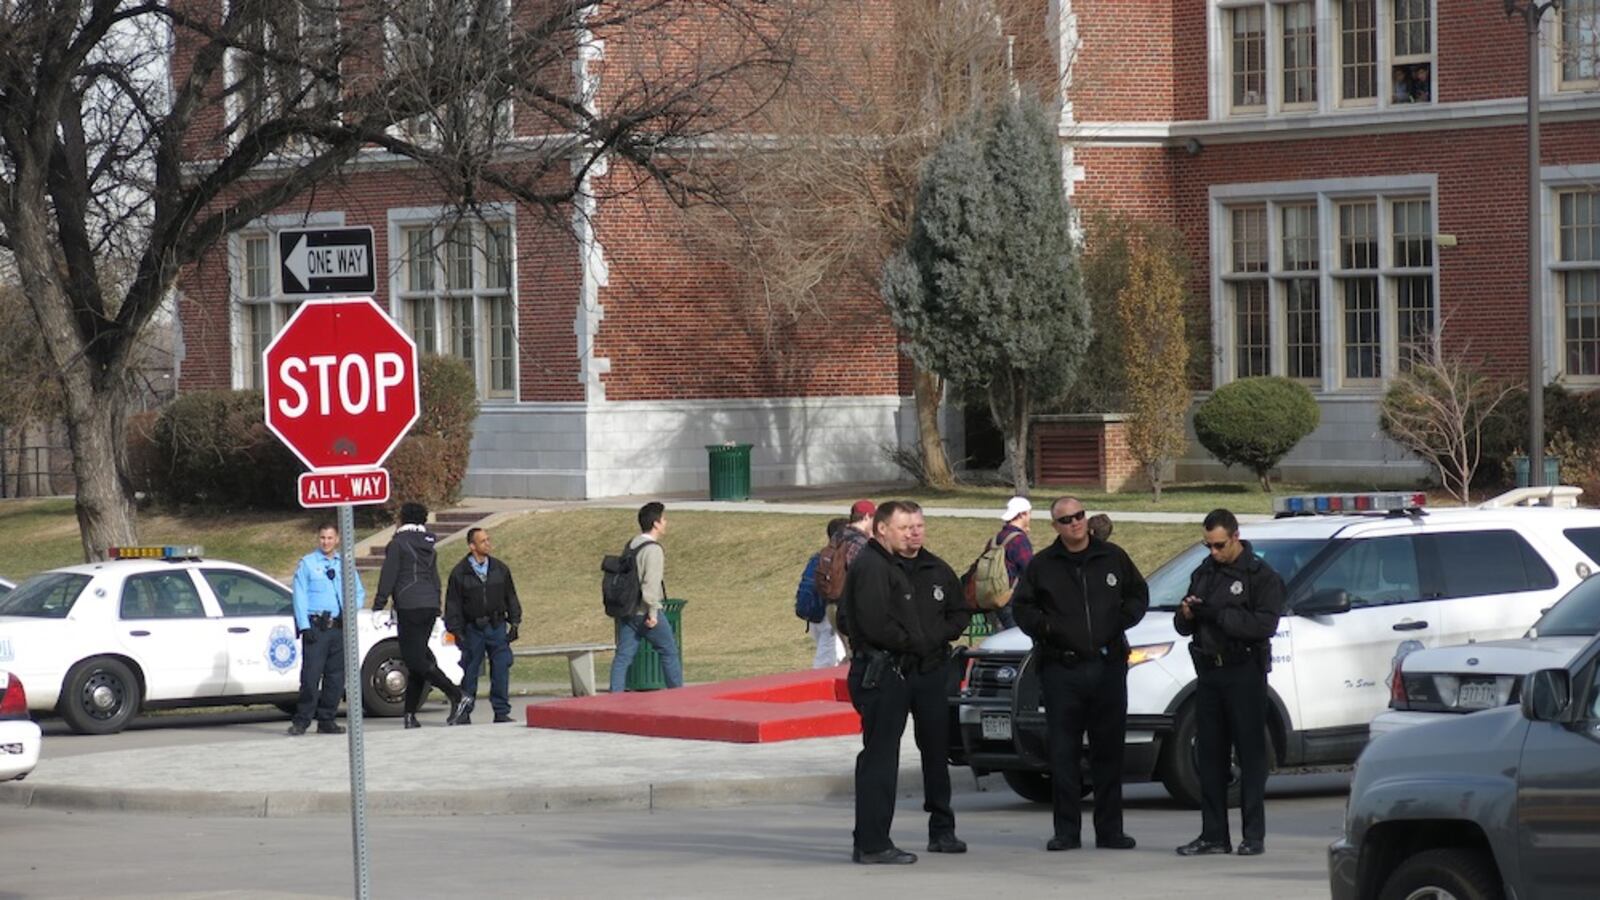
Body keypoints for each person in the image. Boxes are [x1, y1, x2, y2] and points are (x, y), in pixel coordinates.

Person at [1010, 496, 1149, 852]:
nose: (1074, 523)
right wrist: (1047, 628)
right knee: (1064, 753)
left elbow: (1138, 594)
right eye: (1066, 519)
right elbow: (1023, 607)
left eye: (1079, 516)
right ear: (1055, 526)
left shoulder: (1112, 556)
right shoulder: (1043, 565)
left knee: (1108, 752)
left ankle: (1110, 830)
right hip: (1062, 669)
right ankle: (1067, 831)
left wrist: (1119, 621)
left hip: (1107, 667)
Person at [844, 500, 972, 865]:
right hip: (885, 672)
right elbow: (873, 624)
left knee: (936, 750)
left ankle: (942, 831)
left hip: (929, 671)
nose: (914, 532)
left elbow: (959, 610)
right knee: (881, 756)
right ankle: (871, 843)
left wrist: (939, 637)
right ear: (882, 529)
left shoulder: (934, 566)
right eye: (905, 527)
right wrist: (919, 641)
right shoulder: (871, 567)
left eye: (919, 525)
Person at [1173, 508, 1285, 858]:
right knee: (1209, 755)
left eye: (1219, 545)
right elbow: (1182, 625)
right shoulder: (1204, 572)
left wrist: (1218, 615)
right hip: (1209, 672)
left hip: (1244, 671)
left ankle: (1253, 835)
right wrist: (1188, 613)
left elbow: (1263, 624)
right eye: (1208, 545)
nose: (1214, 553)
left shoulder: (1260, 576)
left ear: (1235, 536)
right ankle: (1213, 835)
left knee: (1250, 755)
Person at [373, 503, 470, 729]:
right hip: (428, 605)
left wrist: (379, 604)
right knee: (418, 659)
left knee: (414, 659)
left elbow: (389, 575)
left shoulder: (397, 544)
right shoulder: (429, 546)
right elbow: (435, 578)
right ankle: (409, 715)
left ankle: (457, 695)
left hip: (409, 605)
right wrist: (437, 605)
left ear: (402, 518)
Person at [288, 521, 365, 736]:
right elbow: (300, 595)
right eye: (323, 537)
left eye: (330, 538)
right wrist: (304, 625)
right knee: (311, 677)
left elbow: (358, 592)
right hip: (317, 627)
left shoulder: (345, 564)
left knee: (336, 677)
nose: (326, 542)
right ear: (318, 538)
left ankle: (327, 719)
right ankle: (302, 720)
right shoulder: (308, 564)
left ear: (337, 539)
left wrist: (350, 611)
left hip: (339, 627)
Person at [443, 526, 522, 724]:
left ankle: (501, 711)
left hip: (496, 626)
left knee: (501, 667)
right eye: (483, 541)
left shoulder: (499, 568)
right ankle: (465, 711)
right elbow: (453, 605)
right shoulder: (460, 573)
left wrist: (515, 622)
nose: (488, 544)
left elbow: (510, 596)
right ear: (472, 546)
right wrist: (457, 632)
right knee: (470, 671)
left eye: (488, 539)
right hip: (473, 629)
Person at [607, 501, 684, 693]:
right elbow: (650, 584)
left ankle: (613, 696)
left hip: (628, 610)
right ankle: (679, 694)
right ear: (656, 523)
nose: (666, 522)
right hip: (645, 611)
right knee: (669, 651)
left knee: (623, 656)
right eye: (664, 519)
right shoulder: (653, 550)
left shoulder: (632, 544)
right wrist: (653, 613)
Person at [821, 499, 876, 644]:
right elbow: (862, 577)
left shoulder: (838, 535)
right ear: (866, 517)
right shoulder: (859, 543)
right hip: (850, 609)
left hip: (832, 604)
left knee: (849, 656)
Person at [800, 518, 848, 668]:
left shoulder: (820, 557)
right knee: (827, 663)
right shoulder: (838, 561)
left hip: (815, 615)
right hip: (829, 617)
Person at [989, 496, 1035, 630]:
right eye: (1029, 513)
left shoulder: (996, 538)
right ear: (1022, 514)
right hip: (1011, 600)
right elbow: (1030, 570)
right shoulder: (1019, 540)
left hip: (995, 598)